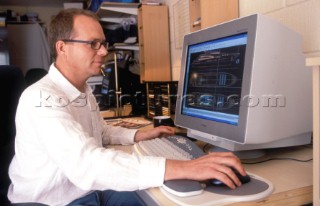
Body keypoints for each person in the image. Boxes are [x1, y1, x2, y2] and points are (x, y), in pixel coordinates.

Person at [7, 8, 246, 206]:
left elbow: (100, 132)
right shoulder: (41, 98)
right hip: (52, 201)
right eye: (93, 44)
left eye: (102, 43)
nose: (103, 51)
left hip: (83, 192)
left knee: (155, 199)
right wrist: (186, 168)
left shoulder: (82, 90)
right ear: (62, 48)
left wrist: (140, 134)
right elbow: (86, 165)